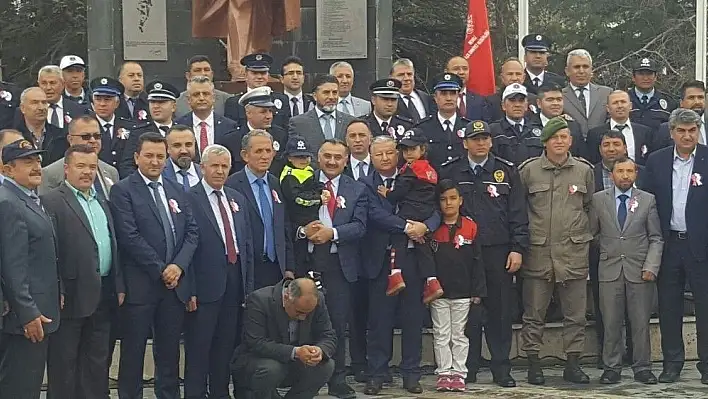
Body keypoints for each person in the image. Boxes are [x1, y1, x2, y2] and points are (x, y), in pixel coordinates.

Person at [110, 132, 199, 399]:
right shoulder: (123, 190)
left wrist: (178, 267)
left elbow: (192, 232)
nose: (155, 161)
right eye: (149, 155)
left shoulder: (176, 189)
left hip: (174, 286)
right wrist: (162, 269)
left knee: (169, 353)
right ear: (137, 157)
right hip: (142, 286)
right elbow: (129, 236)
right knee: (134, 352)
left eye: (160, 156)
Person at [440, 120, 528, 387]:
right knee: (467, 313)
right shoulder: (452, 170)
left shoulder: (506, 171)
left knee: (500, 310)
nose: (480, 143)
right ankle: (469, 365)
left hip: (498, 250)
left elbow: (518, 213)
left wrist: (517, 248)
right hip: (461, 253)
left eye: (485, 138)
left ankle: (501, 367)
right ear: (465, 142)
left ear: (491, 141)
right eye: (475, 138)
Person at [360, 135, 440, 395]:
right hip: (382, 261)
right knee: (379, 321)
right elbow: (375, 214)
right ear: (370, 157)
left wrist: (426, 226)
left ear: (398, 154)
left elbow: (437, 207)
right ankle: (377, 374)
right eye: (378, 154)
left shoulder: (417, 173)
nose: (385, 158)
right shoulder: (365, 184)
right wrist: (407, 227)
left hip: (415, 259)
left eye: (389, 153)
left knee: (413, 319)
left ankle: (411, 374)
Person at [518, 116, 595, 385]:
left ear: (571, 140)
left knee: (575, 314)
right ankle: (533, 363)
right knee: (534, 313)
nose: (560, 142)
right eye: (554, 138)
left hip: (573, 253)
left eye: (564, 137)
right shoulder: (529, 171)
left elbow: (589, 208)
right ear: (545, 142)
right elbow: (520, 211)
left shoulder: (584, 171)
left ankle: (573, 363)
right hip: (539, 253)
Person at [43, 144, 122, 399]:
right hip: (70, 298)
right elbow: (50, 251)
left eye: (92, 167)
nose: (87, 172)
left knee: (96, 364)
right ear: (66, 169)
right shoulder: (52, 201)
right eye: (81, 166)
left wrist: (119, 283)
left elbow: (112, 243)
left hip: (103, 294)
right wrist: (58, 289)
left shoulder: (101, 199)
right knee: (64, 366)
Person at [295, 139, 367, 398]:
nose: (332, 161)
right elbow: (288, 220)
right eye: (327, 156)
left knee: (337, 324)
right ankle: (303, 379)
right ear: (318, 157)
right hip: (307, 264)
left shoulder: (357, 189)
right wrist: (304, 232)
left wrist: (332, 233)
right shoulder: (302, 183)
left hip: (339, 266)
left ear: (346, 160)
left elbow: (360, 226)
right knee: (302, 323)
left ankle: (337, 379)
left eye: (338, 157)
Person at [184, 144, 254, 399]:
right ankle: (194, 393)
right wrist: (188, 289)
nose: (220, 171)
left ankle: (220, 393)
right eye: (214, 165)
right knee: (199, 346)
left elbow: (246, 245)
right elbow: (186, 248)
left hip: (234, 280)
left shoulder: (236, 198)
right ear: (202, 167)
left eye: (225, 166)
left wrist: (248, 286)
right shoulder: (189, 198)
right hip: (204, 285)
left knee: (226, 345)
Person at [643, 108, 708, 384]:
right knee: (669, 308)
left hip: (701, 246)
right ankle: (672, 363)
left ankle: (706, 365)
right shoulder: (656, 161)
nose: (687, 136)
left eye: (692, 130)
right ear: (672, 133)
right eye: (681, 130)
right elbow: (648, 203)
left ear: (698, 131)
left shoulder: (707, 159)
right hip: (668, 244)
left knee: (705, 307)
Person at [589, 156, 663, 385]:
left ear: (635, 174)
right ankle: (612, 367)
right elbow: (592, 233)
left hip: (639, 270)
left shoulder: (647, 200)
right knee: (610, 322)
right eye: (620, 171)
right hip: (609, 269)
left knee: (640, 322)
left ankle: (642, 367)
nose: (625, 176)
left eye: (629, 171)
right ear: (612, 175)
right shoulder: (598, 200)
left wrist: (651, 266)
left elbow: (656, 237)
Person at [0, 139, 60, 399]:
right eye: (27, 162)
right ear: (7, 170)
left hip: (39, 309)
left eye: (37, 160)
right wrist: (27, 313)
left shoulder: (29, 197)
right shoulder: (8, 203)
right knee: (20, 387)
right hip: (26, 318)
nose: (37, 167)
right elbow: (13, 266)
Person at [230, 278, 336, 399]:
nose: (303, 317)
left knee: (325, 365)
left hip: (294, 362)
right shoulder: (259, 300)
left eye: (308, 313)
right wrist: (295, 352)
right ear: (286, 297)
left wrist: (319, 350)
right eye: (299, 311)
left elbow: (328, 335)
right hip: (258, 361)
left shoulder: (318, 300)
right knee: (271, 369)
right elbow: (255, 342)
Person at [430, 179, 486, 392]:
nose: (448, 204)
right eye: (443, 199)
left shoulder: (470, 227)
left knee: (460, 334)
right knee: (441, 333)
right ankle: (444, 372)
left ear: (461, 200)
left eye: (453, 198)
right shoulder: (433, 228)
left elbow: (478, 261)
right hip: (439, 292)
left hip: (464, 291)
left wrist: (477, 291)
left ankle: (459, 372)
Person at [378, 128, 443, 303]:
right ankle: (432, 280)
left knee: (399, 236)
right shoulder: (431, 169)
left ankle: (396, 274)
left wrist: (387, 194)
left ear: (422, 149)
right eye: (405, 150)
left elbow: (400, 192)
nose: (408, 154)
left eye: (413, 149)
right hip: (426, 212)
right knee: (423, 244)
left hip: (410, 210)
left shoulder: (411, 169)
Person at [226, 130, 296, 288]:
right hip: (248, 268)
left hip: (276, 268)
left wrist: (289, 267)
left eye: (268, 151)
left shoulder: (276, 184)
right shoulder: (232, 185)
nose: (265, 156)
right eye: (258, 151)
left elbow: (284, 227)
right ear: (245, 155)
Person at [279, 136, 327, 274]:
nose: (303, 160)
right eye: (298, 157)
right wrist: (318, 199)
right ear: (289, 158)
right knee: (300, 257)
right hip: (298, 220)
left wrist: (322, 189)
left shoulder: (308, 169)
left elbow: (314, 183)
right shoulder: (289, 176)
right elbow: (297, 199)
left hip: (313, 217)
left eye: (306, 156)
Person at [39, 115, 119, 197]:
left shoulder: (111, 172)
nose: (93, 140)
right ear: (70, 139)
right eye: (86, 137)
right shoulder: (50, 173)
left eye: (97, 136)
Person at [221, 86, 288, 175]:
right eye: (263, 112)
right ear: (248, 113)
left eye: (270, 111)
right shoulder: (232, 140)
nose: (269, 116)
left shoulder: (281, 135)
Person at [120, 80, 181, 177]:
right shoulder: (138, 133)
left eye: (161, 102)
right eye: (152, 102)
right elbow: (127, 166)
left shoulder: (183, 132)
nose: (156, 106)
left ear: (173, 107)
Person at [288, 74, 356, 154]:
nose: (331, 97)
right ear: (315, 96)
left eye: (334, 92)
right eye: (326, 93)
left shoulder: (350, 122)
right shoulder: (299, 123)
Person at [174, 76, 239, 157]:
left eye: (206, 94)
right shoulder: (178, 126)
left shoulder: (230, 126)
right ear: (188, 99)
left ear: (213, 97)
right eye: (196, 94)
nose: (201, 98)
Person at [415, 73, 471, 168]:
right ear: (435, 98)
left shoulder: (468, 127)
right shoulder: (422, 128)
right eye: (444, 93)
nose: (448, 98)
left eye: (453, 93)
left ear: (458, 96)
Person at [224, 53, 291, 130]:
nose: (259, 77)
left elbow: (286, 129)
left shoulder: (282, 99)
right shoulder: (234, 103)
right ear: (245, 75)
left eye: (263, 73)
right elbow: (232, 131)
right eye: (254, 73)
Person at [89, 76, 143, 172]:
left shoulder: (130, 127)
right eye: (98, 99)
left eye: (107, 99)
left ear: (117, 103)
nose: (102, 104)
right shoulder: (86, 127)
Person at [586, 90, 654, 165]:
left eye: (623, 102)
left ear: (630, 106)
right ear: (608, 108)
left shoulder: (645, 132)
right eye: (615, 103)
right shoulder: (595, 134)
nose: (620, 106)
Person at [489, 83, 544, 165]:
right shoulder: (493, 130)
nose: (517, 105)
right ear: (503, 105)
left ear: (526, 106)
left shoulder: (539, 129)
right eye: (512, 100)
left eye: (521, 101)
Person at [562, 49, 613, 135]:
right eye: (576, 67)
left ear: (591, 70)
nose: (581, 71)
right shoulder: (559, 96)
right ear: (567, 71)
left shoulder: (607, 93)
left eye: (585, 67)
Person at [529, 84, 586, 158]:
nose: (556, 103)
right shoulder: (528, 125)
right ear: (539, 103)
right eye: (550, 100)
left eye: (559, 99)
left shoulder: (573, 126)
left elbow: (581, 156)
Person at [15, 87, 67, 166]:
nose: (41, 108)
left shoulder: (61, 135)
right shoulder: (13, 137)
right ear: (22, 108)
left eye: (44, 102)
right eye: (35, 103)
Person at [652, 80, 706, 150]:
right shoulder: (666, 129)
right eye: (691, 98)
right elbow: (658, 158)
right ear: (681, 103)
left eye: (700, 97)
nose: (697, 102)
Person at [628, 58, 678, 131]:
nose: (645, 78)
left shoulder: (669, 101)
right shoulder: (623, 100)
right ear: (633, 77)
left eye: (649, 74)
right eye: (641, 74)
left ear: (655, 77)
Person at [37, 65, 90, 129]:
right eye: (44, 83)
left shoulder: (80, 110)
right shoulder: (29, 110)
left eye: (52, 83)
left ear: (62, 84)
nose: (48, 88)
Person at [484, 59, 538, 123]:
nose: (514, 78)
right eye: (510, 74)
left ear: (523, 78)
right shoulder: (490, 102)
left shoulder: (534, 100)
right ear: (502, 77)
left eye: (518, 74)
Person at [444, 56, 487, 121]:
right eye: (456, 69)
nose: (461, 72)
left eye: (465, 69)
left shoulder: (480, 100)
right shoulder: (437, 100)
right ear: (446, 72)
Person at [391, 58, 432, 123]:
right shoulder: (389, 100)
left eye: (409, 74)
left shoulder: (426, 98)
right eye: (401, 75)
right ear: (392, 78)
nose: (406, 78)